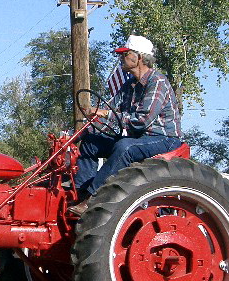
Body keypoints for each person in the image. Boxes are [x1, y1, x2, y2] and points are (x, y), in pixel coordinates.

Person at [70, 35, 183, 216]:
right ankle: (79, 193)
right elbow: (111, 110)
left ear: (139, 57)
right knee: (90, 141)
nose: (121, 58)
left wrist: (106, 114)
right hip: (137, 137)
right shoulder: (129, 84)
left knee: (124, 147)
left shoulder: (157, 82)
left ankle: (94, 198)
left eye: (125, 54)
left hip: (162, 138)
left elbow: (142, 121)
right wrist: (87, 127)